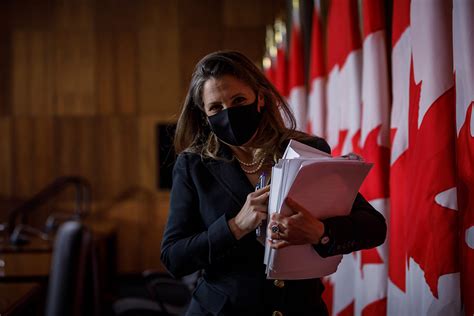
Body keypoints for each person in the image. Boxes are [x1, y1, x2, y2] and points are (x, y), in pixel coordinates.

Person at [161, 50, 387, 316]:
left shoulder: (307, 149)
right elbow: (174, 258)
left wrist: (320, 232)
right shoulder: (193, 165)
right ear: (204, 116)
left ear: (260, 98)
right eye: (216, 108)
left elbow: (374, 228)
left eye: (238, 100)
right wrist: (234, 227)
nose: (229, 114)